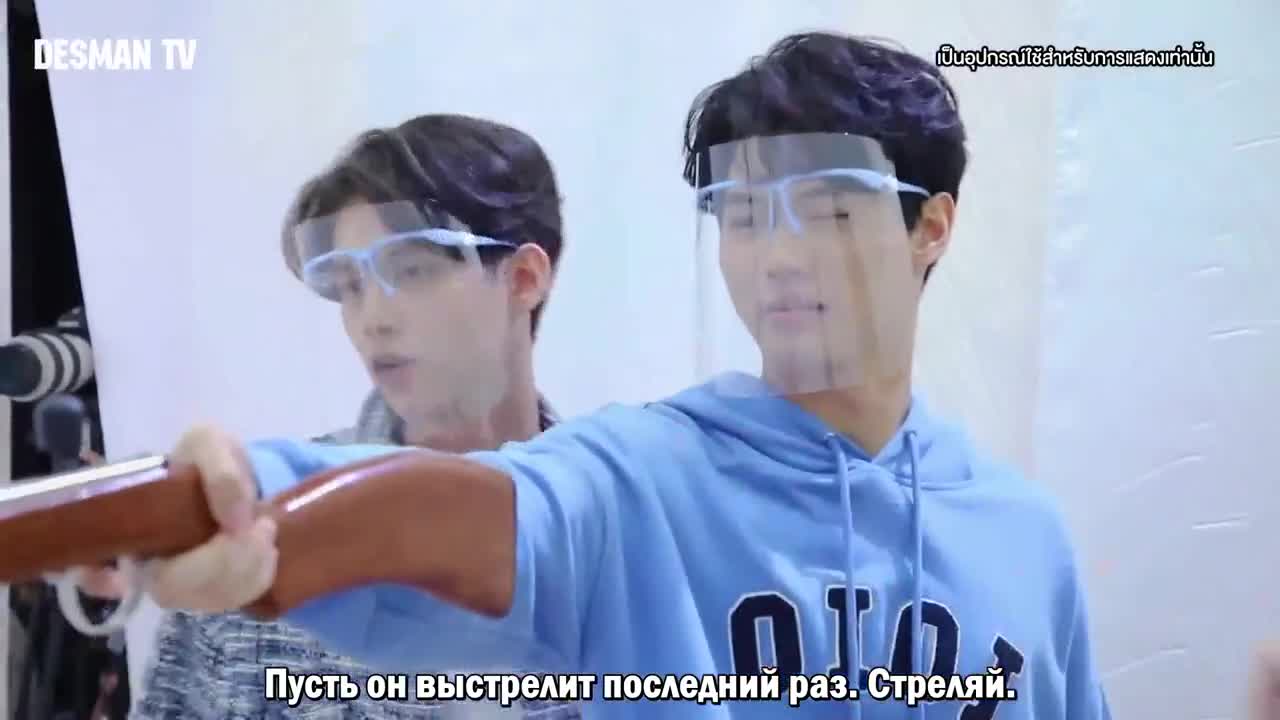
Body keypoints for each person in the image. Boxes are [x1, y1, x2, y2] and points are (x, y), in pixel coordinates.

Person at [103, 33, 1111, 718]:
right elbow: (461, 515)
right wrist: (243, 493)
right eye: (744, 214)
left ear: (930, 226)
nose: (779, 257)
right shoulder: (638, 483)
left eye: (829, 210)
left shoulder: (1024, 540)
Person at [78, 114, 581, 719]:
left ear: (523, 278)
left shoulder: (609, 532)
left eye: (411, 270)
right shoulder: (248, 528)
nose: (372, 319)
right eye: (349, 286)